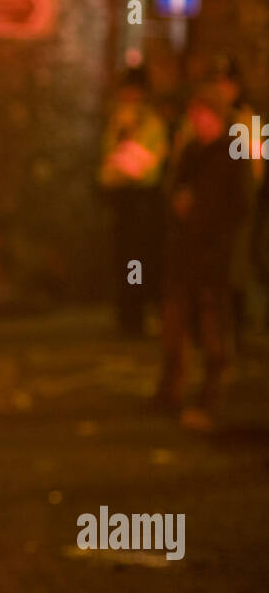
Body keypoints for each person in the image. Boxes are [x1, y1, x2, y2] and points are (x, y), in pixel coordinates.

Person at [155, 85, 251, 431]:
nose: (196, 122)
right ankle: (171, 390)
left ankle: (211, 392)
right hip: (185, 253)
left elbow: (240, 204)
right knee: (175, 323)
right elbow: (175, 190)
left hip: (214, 256)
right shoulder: (192, 150)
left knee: (212, 327)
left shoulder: (232, 152)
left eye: (202, 115)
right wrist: (179, 208)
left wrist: (213, 231)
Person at [97, 68, 168, 336]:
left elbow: (144, 166)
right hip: (121, 201)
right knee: (123, 258)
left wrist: (123, 164)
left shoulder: (151, 123)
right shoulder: (117, 122)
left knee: (141, 259)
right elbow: (107, 164)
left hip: (143, 202)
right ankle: (127, 316)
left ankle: (138, 316)